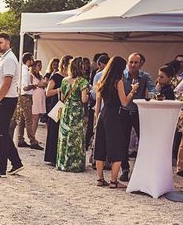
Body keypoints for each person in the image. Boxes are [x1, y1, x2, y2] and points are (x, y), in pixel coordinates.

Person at [93, 56, 140, 188]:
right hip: (114, 115)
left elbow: (98, 103)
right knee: (116, 148)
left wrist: (97, 118)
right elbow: (124, 102)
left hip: (103, 114)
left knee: (100, 147)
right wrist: (132, 90)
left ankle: (100, 179)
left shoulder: (102, 80)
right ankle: (113, 181)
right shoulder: (118, 81)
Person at [0, 32, 23, 177]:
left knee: (1, 135)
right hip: (5, 99)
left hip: (5, 100)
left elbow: (7, 83)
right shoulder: (5, 58)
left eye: (0, 42)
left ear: (7, 43)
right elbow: (4, 79)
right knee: (3, 134)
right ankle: (16, 163)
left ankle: (1, 167)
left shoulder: (9, 59)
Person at [118, 52, 156, 182]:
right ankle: (125, 169)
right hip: (123, 111)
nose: (132, 65)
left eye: (135, 62)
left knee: (144, 140)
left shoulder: (145, 76)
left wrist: (151, 96)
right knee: (123, 141)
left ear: (141, 64)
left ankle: (143, 168)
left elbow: (153, 90)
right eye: (131, 62)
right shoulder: (122, 76)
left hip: (139, 112)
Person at [56, 57, 89, 173]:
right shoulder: (83, 82)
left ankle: (63, 163)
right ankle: (74, 164)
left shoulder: (64, 80)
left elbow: (61, 97)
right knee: (76, 137)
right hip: (76, 111)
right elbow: (84, 100)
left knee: (64, 135)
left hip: (66, 110)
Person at [44, 54, 71, 166]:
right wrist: (59, 89)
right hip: (57, 105)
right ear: (64, 64)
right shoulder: (56, 76)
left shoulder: (70, 77)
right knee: (55, 130)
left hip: (67, 106)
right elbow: (48, 92)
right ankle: (52, 156)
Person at [15, 52, 42, 150]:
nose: (33, 61)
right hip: (26, 97)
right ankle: (32, 141)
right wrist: (35, 85)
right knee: (29, 119)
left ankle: (20, 139)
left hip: (23, 97)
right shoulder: (25, 72)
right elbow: (25, 88)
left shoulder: (22, 70)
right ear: (28, 60)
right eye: (32, 59)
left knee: (22, 119)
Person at [30, 59, 47, 142]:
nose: (40, 67)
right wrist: (38, 85)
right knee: (35, 118)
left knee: (37, 118)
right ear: (34, 66)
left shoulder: (40, 76)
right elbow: (29, 86)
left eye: (41, 65)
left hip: (40, 97)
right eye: (38, 65)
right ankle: (32, 137)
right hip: (35, 97)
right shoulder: (31, 75)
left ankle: (33, 135)